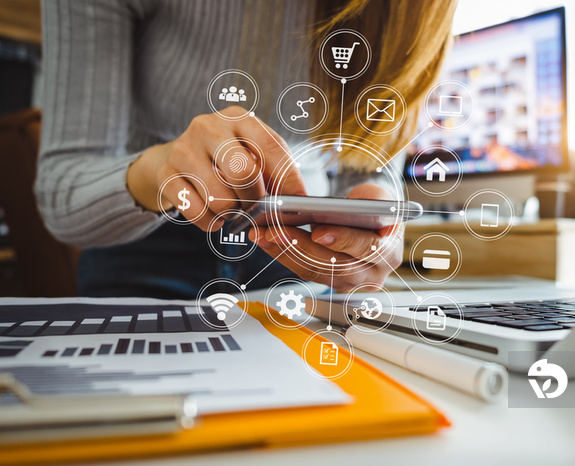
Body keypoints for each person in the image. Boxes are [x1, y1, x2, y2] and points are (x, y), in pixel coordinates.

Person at [37, 0, 457, 298]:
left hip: (297, 264)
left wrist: (377, 218)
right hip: (143, 256)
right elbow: (62, 194)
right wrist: (162, 170)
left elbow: (367, 165)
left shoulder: (407, 11)